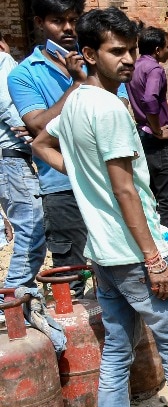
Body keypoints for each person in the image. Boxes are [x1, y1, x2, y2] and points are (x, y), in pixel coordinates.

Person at [31, 7, 168, 407]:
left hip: (102, 253)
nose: (130, 59)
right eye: (117, 51)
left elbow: (38, 140)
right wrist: (154, 257)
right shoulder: (108, 108)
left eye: (132, 49)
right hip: (133, 252)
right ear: (89, 54)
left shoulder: (75, 101)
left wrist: (78, 175)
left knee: (118, 344)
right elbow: (125, 192)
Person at [8, 0, 103, 295]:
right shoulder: (24, 74)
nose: (68, 29)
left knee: (118, 266)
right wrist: (79, 84)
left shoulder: (97, 59)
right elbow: (38, 128)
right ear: (39, 22)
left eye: (73, 20)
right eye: (57, 21)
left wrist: (54, 124)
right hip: (61, 185)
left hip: (107, 177)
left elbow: (116, 114)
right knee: (72, 276)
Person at [0, 30, 46, 289]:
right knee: (32, 229)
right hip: (11, 159)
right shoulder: (3, 60)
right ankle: (11, 299)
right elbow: (8, 105)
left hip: (7, 162)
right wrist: (37, 135)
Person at [128, 25, 168, 231]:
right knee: (166, 198)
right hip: (156, 138)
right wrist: (157, 130)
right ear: (157, 50)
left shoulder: (135, 66)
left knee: (149, 193)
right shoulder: (155, 69)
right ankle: (166, 245)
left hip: (141, 134)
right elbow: (150, 99)